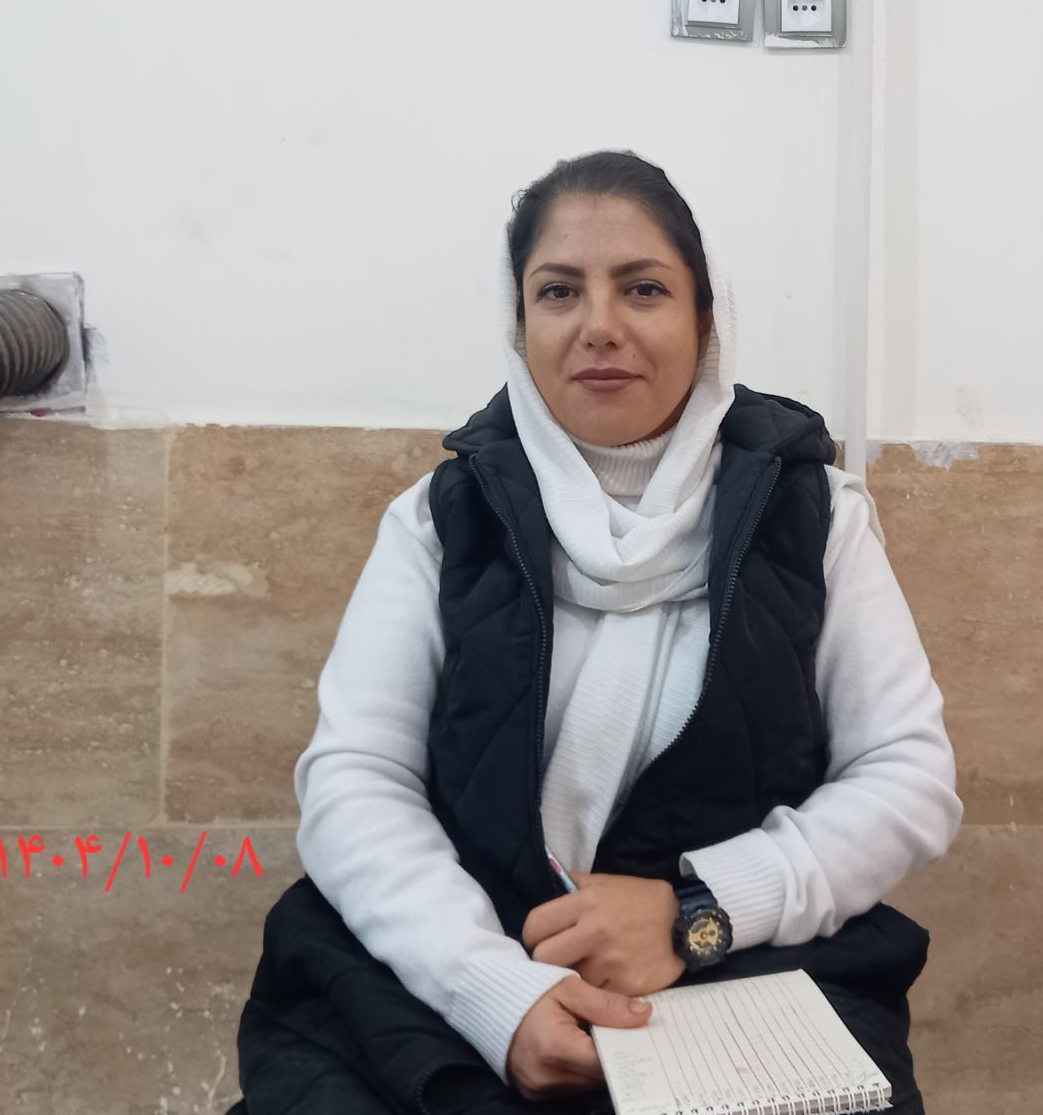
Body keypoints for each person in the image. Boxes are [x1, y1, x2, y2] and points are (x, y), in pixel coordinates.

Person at [229, 149, 963, 1115]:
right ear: (519, 324)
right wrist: (493, 990)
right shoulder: (441, 520)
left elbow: (905, 776)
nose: (599, 326)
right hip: (457, 965)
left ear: (705, 319)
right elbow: (356, 779)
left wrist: (697, 912)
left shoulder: (814, 516)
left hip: (735, 972)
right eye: (559, 291)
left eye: (643, 288)